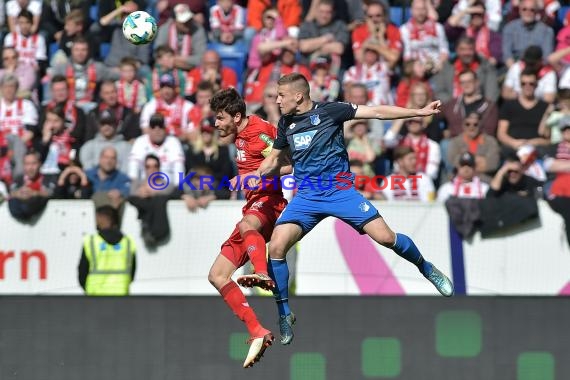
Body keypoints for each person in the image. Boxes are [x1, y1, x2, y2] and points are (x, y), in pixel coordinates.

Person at [237, 73, 454, 347]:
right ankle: (284, 313)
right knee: (277, 247)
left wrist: (417, 112)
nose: (277, 100)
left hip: (340, 192)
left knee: (386, 238)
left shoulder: (331, 111)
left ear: (298, 96)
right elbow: (275, 160)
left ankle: (426, 268)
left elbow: (375, 112)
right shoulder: (286, 123)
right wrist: (253, 174)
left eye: (281, 95)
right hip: (307, 197)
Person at [207, 88, 290, 368]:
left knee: (247, 224)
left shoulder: (260, 133)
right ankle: (257, 330)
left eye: (219, 118)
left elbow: (291, 165)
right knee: (217, 275)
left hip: (270, 203)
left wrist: (254, 177)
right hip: (252, 208)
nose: (216, 124)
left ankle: (262, 272)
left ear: (237, 116)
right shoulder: (241, 135)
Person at [78, 205, 136, 296]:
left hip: (95, 294)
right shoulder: (128, 242)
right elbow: (132, 270)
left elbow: (82, 270)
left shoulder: (91, 241)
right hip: (121, 293)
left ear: (102, 218)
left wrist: (86, 287)